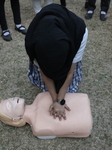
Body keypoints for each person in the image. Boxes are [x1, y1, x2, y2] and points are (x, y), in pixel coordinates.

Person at [25, 4, 88, 121]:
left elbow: (70, 72)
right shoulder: (34, 42)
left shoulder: (80, 33)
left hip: (72, 42)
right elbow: (43, 72)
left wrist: (60, 100)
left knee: (69, 89)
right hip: (43, 48)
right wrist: (56, 100)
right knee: (48, 89)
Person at [0, 92, 93, 138]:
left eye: (10, 99)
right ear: (15, 119)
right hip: (85, 124)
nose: (12, 100)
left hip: (82, 102)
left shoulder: (40, 96)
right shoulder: (38, 129)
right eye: (9, 105)